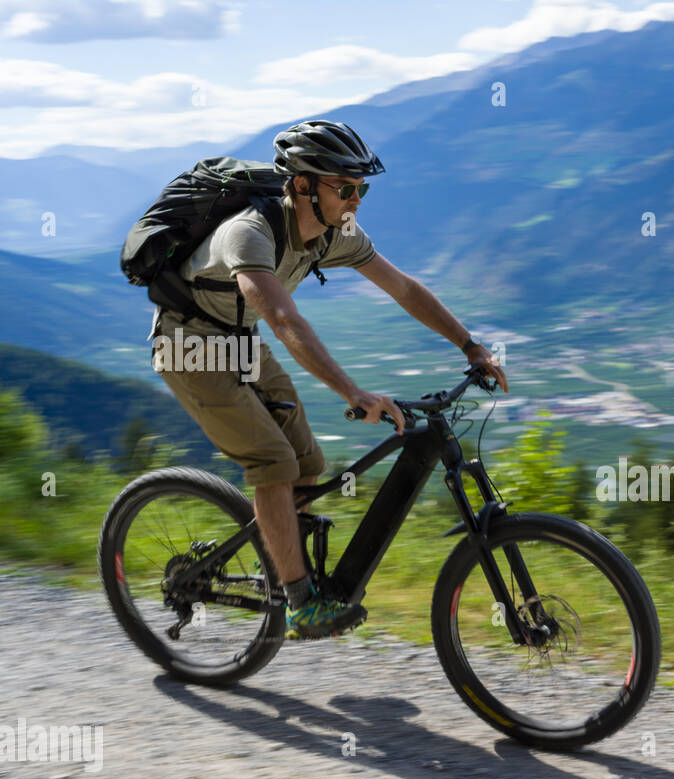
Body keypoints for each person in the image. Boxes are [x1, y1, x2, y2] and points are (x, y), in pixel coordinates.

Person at [151, 119, 507, 638]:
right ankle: (298, 601)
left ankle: (284, 568)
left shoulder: (333, 234)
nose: (356, 199)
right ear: (301, 186)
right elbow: (284, 320)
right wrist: (352, 393)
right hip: (187, 345)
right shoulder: (248, 233)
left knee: (308, 464)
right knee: (272, 462)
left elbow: (403, 289)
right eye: (345, 188)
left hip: (237, 340)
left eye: (361, 188)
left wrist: (469, 344)